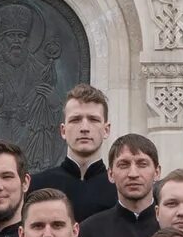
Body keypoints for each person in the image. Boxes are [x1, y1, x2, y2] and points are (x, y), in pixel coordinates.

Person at [76, 132, 164, 237]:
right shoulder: (88, 232)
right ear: (110, 174)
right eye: (124, 165)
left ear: (157, 172)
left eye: (142, 164)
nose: (133, 174)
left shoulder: (173, 225)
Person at [33, 84, 120, 223]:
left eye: (93, 119)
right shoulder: (36, 186)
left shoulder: (120, 189)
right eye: (75, 120)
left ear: (106, 130)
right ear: (63, 130)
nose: (84, 128)